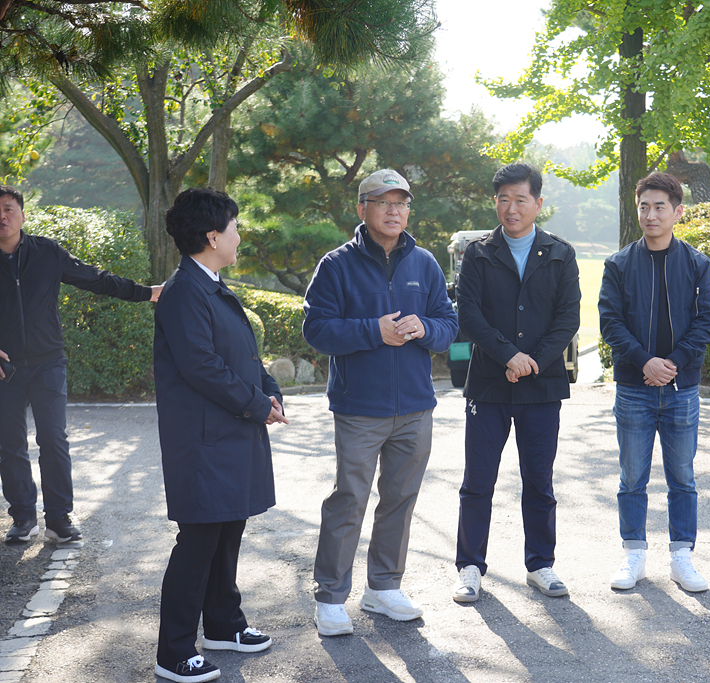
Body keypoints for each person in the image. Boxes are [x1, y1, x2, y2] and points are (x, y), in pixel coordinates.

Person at [303, 169, 458, 635]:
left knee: (400, 499)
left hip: (415, 406)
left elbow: (448, 325)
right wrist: (375, 330)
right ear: (361, 208)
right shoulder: (336, 265)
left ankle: (384, 587)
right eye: (383, 202)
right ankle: (331, 597)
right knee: (349, 499)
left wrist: (424, 329)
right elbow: (317, 330)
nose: (394, 211)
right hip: (359, 408)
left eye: (402, 203)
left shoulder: (425, 263)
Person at [153, 187, 288, 683]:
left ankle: (225, 624)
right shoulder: (185, 291)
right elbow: (202, 368)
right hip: (204, 439)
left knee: (228, 528)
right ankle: (173, 652)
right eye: (233, 227)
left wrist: (269, 390)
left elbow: (244, 356)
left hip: (228, 432)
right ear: (212, 236)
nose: (238, 235)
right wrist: (257, 405)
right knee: (199, 539)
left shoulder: (209, 283)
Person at [0, 185, 161, 545]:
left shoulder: (47, 253)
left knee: (53, 439)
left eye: (9, 209)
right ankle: (22, 517)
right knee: (9, 444)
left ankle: (58, 518)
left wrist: (145, 292)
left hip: (48, 364)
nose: (3, 217)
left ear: (23, 215)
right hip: (5, 370)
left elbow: (96, 279)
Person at [451, 163, 581, 603]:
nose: (511, 208)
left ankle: (541, 565)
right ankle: (469, 566)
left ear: (537, 203)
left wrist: (531, 363)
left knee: (539, 481)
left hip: (541, 388)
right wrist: (509, 355)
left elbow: (568, 319)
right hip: (488, 384)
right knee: (478, 480)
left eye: (520, 199)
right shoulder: (478, 253)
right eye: (503, 199)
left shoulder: (560, 253)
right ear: (495, 202)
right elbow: (468, 314)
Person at [598, 171, 710, 593]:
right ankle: (633, 554)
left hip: (681, 388)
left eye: (660, 207)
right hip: (634, 388)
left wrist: (672, 363)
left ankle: (681, 557)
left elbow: (707, 321)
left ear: (677, 211)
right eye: (644, 206)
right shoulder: (619, 264)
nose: (651, 215)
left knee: (682, 476)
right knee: (632, 476)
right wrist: (644, 362)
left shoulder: (697, 263)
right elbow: (610, 322)